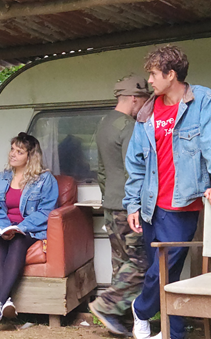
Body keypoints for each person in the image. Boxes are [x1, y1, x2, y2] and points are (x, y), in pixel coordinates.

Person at [124, 45, 211, 339]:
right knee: (167, 273)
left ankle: (141, 309)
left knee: (165, 266)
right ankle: (173, 333)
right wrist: (132, 203)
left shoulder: (201, 100)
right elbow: (136, 162)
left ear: (171, 74)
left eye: (153, 74)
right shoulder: (147, 111)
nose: (149, 80)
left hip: (182, 202)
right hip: (150, 205)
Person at [88, 75, 152, 335]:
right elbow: (133, 169)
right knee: (141, 263)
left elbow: (102, 170)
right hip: (129, 207)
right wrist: (136, 203)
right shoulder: (130, 126)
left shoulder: (104, 123)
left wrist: (110, 198)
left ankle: (120, 320)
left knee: (121, 264)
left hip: (111, 205)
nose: (145, 106)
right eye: (144, 100)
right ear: (134, 98)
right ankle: (106, 306)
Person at [0, 132, 58, 323]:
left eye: (19, 151)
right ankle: (6, 302)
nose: (13, 154)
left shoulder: (45, 180)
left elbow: (46, 211)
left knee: (17, 242)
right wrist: (4, 228)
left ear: (30, 156)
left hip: (29, 229)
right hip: (3, 228)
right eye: (12, 149)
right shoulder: (0, 179)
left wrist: (20, 227)